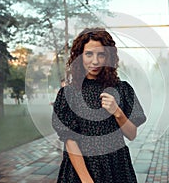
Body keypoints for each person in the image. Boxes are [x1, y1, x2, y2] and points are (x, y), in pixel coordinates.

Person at [52, 27, 146, 183]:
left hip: (116, 167)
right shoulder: (68, 93)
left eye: (101, 54)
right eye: (89, 54)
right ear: (79, 56)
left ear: (108, 57)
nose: (95, 61)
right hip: (80, 171)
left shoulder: (122, 89)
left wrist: (117, 111)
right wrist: (86, 180)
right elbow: (70, 141)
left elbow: (131, 134)